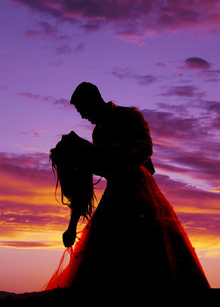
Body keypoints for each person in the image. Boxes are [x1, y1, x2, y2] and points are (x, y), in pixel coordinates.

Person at [45, 82, 210, 296]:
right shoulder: (98, 134)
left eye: (83, 111)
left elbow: (145, 149)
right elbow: (105, 167)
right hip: (116, 194)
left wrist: (110, 160)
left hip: (141, 193)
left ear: (93, 101)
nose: (83, 117)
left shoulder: (130, 116)